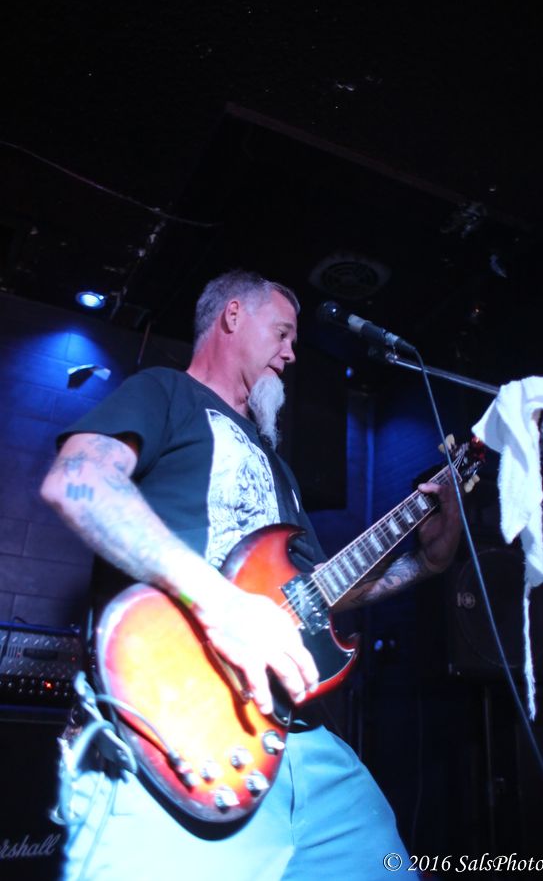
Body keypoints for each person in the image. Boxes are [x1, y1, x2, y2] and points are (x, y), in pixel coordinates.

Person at [40, 269, 461, 880]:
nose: (291, 354)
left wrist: (427, 560)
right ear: (232, 316)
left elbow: (320, 591)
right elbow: (79, 482)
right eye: (282, 333)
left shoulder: (278, 467)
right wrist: (223, 605)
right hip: (180, 723)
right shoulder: (165, 392)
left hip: (304, 743)